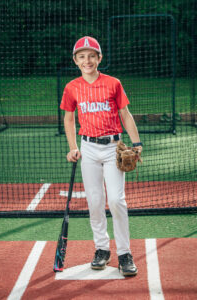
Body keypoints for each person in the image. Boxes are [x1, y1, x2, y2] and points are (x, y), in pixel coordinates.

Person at [60, 36, 143, 276]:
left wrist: (136, 142)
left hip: (112, 147)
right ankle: (102, 249)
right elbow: (68, 118)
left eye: (92, 56)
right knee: (95, 202)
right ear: (76, 60)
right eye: (82, 56)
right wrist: (73, 147)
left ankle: (125, 253)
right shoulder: (72, 87)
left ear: (99, 58)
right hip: (88, 149)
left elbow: (125, 113)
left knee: (116, 200)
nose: (87, 60)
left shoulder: (113, 83)